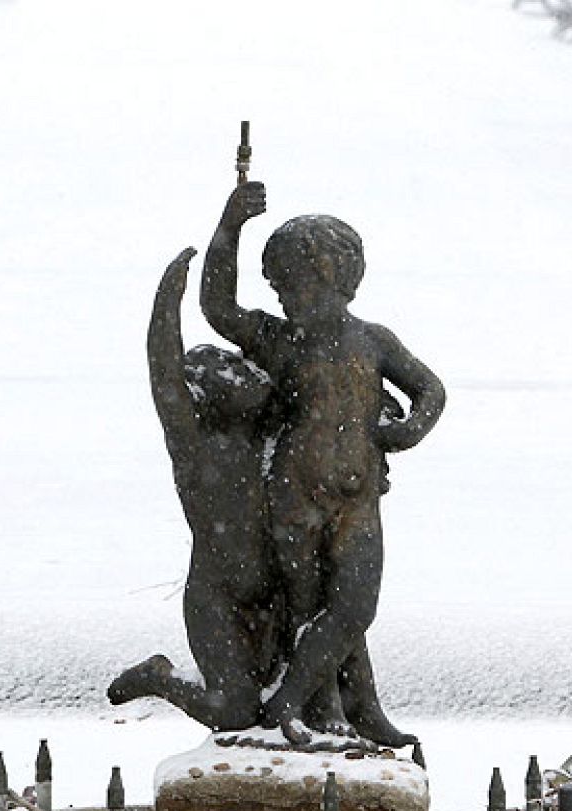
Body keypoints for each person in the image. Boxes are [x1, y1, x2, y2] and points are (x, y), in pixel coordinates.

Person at [200, 180, 446, 746]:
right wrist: (229, 227)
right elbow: (218, 308)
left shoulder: (373, 341)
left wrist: (407, 430)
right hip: (294, 498)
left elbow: (430, 390)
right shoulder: (280, 339)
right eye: (279, 287)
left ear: (336, 278)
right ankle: (339, 709)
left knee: (354, 606)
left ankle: (294, 700)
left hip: (357, 499)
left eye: (294, 284)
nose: (285, 297)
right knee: (308, 607)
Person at [107, 248, 280, 731]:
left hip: (277, 589)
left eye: (240, 366)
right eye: (227, 370)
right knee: (234, 711)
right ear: (204, 391)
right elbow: (164, 371)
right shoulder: (194, 441)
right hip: (217, 593)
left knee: (276, 705)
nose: (243, 373)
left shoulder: (271, 434)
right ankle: (160, 678)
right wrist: (168, 302)